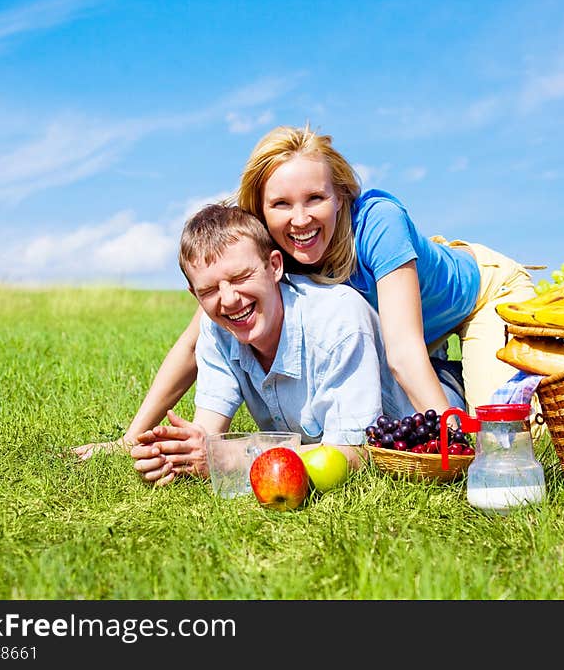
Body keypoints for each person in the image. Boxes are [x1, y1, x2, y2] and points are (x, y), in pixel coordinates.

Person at [73, 123, 534, 460]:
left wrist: (457, 448)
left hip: (481, 296)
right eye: (280, 204)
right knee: (424, 399)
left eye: (315, 199)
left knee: (505, 432)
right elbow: (196, 340)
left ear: (341, 196)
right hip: (399, 328)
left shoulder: (379, 225)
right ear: (261, 209)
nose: (299, 219)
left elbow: (403, 353)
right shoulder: (275, 246)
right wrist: (133, 437)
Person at [127, 203, 463, 486]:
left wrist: (230, 457)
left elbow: (354, 454)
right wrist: (171, 455)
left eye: (242, 278)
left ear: (274, 267)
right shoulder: (216, 330)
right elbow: (208, 437)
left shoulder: (339, 319)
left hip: (438, 409)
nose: (228, 300)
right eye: (210, 290)